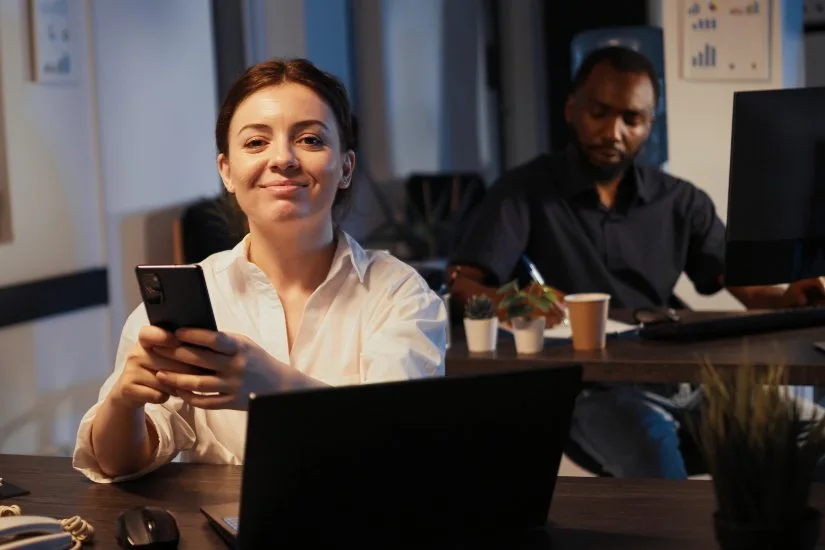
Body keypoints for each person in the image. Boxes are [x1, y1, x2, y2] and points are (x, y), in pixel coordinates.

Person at [447, 46, 825, 479]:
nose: (613, 132)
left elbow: (745, 287)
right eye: (599, 112)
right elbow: (462, 284)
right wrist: (511, 303)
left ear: (650, 124)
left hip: (689, 379)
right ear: (572, 108)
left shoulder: (680, 200)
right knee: (657, 469)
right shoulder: (522, 192)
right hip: (592, 390)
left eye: (632, 119)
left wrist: (788, 297)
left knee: (814, 436)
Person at [73, 58, 448, 483]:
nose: (283, 159)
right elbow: (117, 464)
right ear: (227, 171)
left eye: (309, 139)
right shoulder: (196, 296)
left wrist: (274, 386)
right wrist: (125, 402)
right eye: (255, 143)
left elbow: (400, 445)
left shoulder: (398, 294)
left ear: (345, 167)